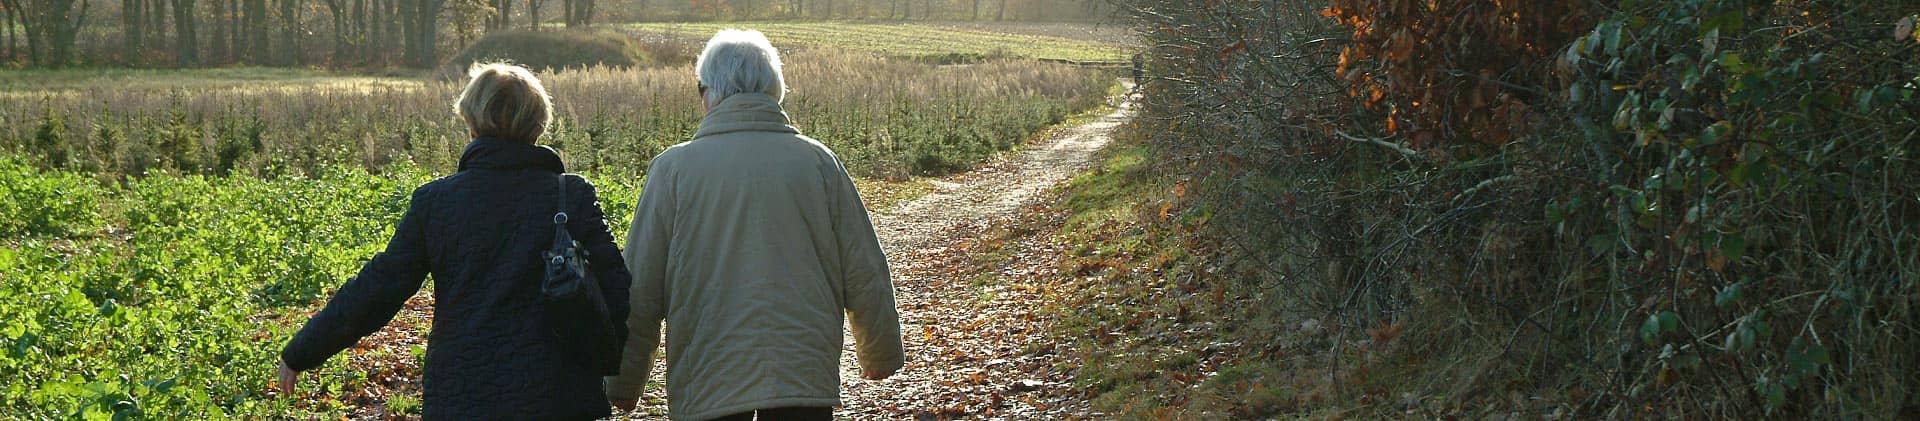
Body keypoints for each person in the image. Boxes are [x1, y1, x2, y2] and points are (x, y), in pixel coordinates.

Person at [275, 62, 633, 420]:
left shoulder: (437, 202)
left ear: (472, 120)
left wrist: (302, 351)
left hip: (464, 394)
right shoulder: (570, 196)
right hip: (561, 395)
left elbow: (379, 288)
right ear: (538, 122)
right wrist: (597, 356)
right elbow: (617, 287)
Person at [605, 29, 906, 420]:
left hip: (709, 370)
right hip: (802, 369)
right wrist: (880, 352)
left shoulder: (673, 170)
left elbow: (641, 284)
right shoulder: (817, 163)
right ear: (773, 88)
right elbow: (863, 265)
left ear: (708, 92)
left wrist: (624, 381)